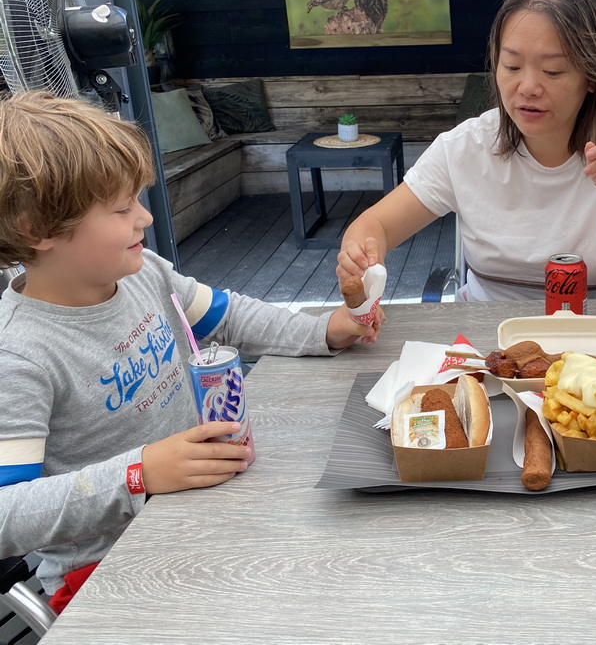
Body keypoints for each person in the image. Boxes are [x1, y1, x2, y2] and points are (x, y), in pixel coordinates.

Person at [0, 92, 381, 612]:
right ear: (36, 230)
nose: (145, 219)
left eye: (138, 198)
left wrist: (324, 332)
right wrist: (138, 473)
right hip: (108, 571)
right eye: (120, 208)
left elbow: (228, 315)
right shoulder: (19, 355)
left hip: (199, 509)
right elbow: (7, 515)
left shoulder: (144, 273)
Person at [336, 0, 596, 303]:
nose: (527, 88)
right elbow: (375, 225)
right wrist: (360, 258)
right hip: (483, 345)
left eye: (552, 71)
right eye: (511, 66)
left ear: (593, 76)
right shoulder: (465, 148)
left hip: (591, 345)